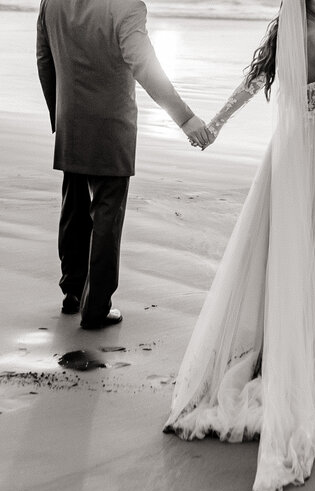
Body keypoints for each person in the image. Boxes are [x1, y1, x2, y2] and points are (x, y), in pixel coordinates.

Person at [164, 0, 315, 491]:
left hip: (285, 154)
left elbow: (251, 86)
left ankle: (284, 338)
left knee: (282, 247)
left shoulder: (285, 33)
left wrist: (214, 125)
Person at [36, 0, 210, 329]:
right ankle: (96, 308)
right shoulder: (126, 4)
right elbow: (143, 65)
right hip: (110, 125)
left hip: (70, 120)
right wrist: (185, 118)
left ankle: (72, 291)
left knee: (73, 206)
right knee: (106, 214)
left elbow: (44, 59)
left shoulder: (51, 1)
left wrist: (58, 114)